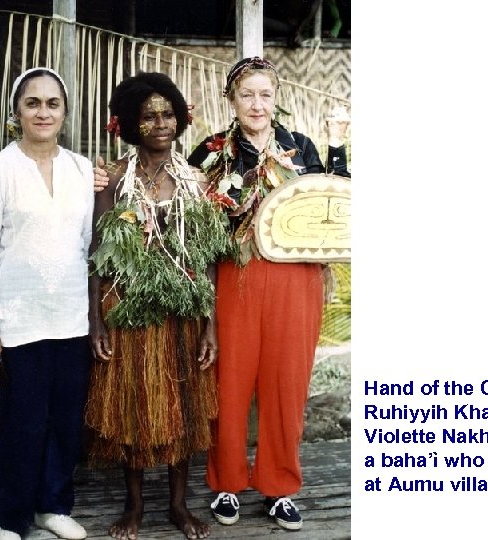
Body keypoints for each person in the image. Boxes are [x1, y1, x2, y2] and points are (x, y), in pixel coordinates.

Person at [185, 56, 351, 531]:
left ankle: (278, 485)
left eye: (265, 94)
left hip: (296, 278)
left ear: (275, 98)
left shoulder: (298, 148)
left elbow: (336, 205)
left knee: (286, 384)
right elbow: (190, 214)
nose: (256, 104)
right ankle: (227, 482)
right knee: (230, 382)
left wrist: (336, 145)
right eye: (246, 94)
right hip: (236, 278)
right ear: (231, 100)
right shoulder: (212, 150)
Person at [84, 72, 233, 540]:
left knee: (184, 409)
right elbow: (98, 253)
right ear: (130, 123)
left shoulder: (194, 181)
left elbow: (207, 257)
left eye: (167, 113)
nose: (161, 123)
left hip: (184, 315)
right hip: (129, 313)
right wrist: (96, 321)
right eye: (148, 116)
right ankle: (134, 506)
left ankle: (177, 505)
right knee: (133, 405)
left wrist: (211, 326)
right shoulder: (114, 181)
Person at [0, 67, 94, 540]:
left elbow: (88, 244)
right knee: (22, 424)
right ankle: (8, 517)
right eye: (33, 103)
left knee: (66, 420)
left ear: (65, 113)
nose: (43, 112)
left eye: (52, 103)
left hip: (72, 317)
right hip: (20, 319)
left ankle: (53, 507)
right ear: (17, 112)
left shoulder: (83, 169)